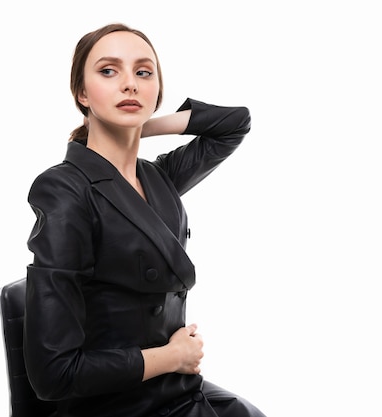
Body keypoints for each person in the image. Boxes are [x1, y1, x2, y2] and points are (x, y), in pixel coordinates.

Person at [23, 22, 267, 417]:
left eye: (143, 72)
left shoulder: (158, 177)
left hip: (173, 386)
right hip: (114, 401)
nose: (129, 84)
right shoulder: (66, 188)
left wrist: (140, 125)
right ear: (82, 94)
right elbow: (54, 373)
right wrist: (172, 357)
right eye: (108, 71)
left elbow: (234, 124)